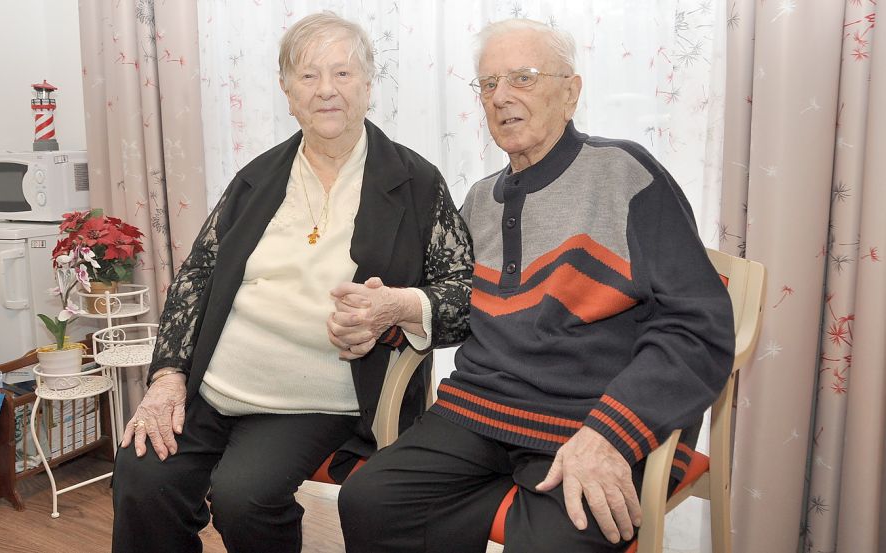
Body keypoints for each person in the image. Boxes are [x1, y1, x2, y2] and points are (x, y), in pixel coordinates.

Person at [337, 18, 735, 553]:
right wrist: (390, 312)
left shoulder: (625, 175)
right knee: (369, 500)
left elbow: (697, 325)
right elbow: (456, 307)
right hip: (480, 412)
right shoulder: (480, 200)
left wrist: (610, 434)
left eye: (522, 78)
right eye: (487, 84)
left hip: (591, 418)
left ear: (569, 93)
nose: (501, 97)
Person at [110, 12, 472, 553]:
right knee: (141, 477)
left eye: (343, 74)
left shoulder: (415, 182)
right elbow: (196, 278)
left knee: (243, 495)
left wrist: (399, 305)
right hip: (214, 385)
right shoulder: (257, 177)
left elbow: (464, 293)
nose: (326, 90)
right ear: (286, 91)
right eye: (308, 76)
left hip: (314, 399)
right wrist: (167, 378)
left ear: (369, 85)